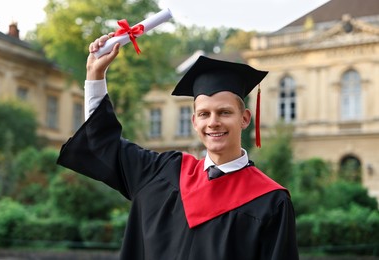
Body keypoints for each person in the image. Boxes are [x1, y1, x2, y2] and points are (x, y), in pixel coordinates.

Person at [57, 33, 299, 260]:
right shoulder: (162, 172)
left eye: (224, 112)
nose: (213, 122)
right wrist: (95, 74)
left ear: (245, 118)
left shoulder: (270, 201)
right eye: (204, 114)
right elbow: (103, 143)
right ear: (194, 121)